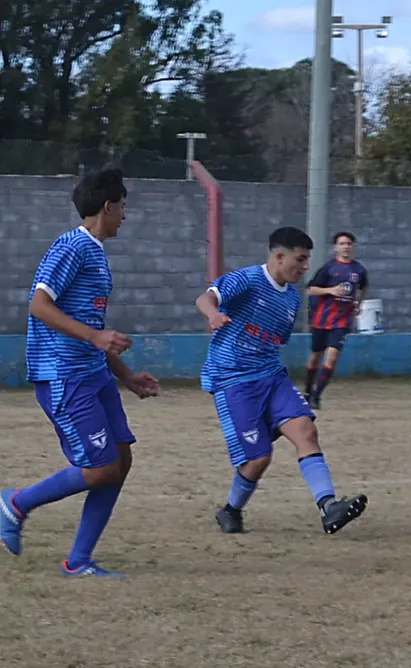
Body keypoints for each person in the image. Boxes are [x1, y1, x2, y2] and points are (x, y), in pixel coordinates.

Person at [0, 166, 160, 578]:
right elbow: (38, 305)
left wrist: (125, 374)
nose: (126, 214)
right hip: (64, 376)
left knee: (120, 461)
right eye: (124, 206)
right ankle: (16, 503)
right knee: (101, 466)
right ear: (107, 207)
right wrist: (94, 337)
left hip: (95, 375)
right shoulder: (71, 246)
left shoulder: (96, 254)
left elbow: (95, 331)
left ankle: (79, 561)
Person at [196, 227, 368, 536]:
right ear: (279, 257)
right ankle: (231, 510)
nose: (305, 268)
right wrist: (213, 314)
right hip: (233, 380)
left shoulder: (290, 298)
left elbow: (275, 341)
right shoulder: (247, 279)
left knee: (306, 430)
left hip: (271, 376)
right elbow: (206, 298)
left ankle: (329, 508)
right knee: (259, 458)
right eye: (300, 260)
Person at [303, 231, 369, 409]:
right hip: (322, 320)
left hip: (342, 321)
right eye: (342, 243)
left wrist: (358, 304)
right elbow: (310, 289)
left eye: (348, 243)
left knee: (331, 359)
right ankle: (307, 392)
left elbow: (364, 287)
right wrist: (330, 291)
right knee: (315, 358)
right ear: (336, 248)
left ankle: (317, 397)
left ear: (352, 247)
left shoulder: (359, 270)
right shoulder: (329, 268)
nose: (345, 246)